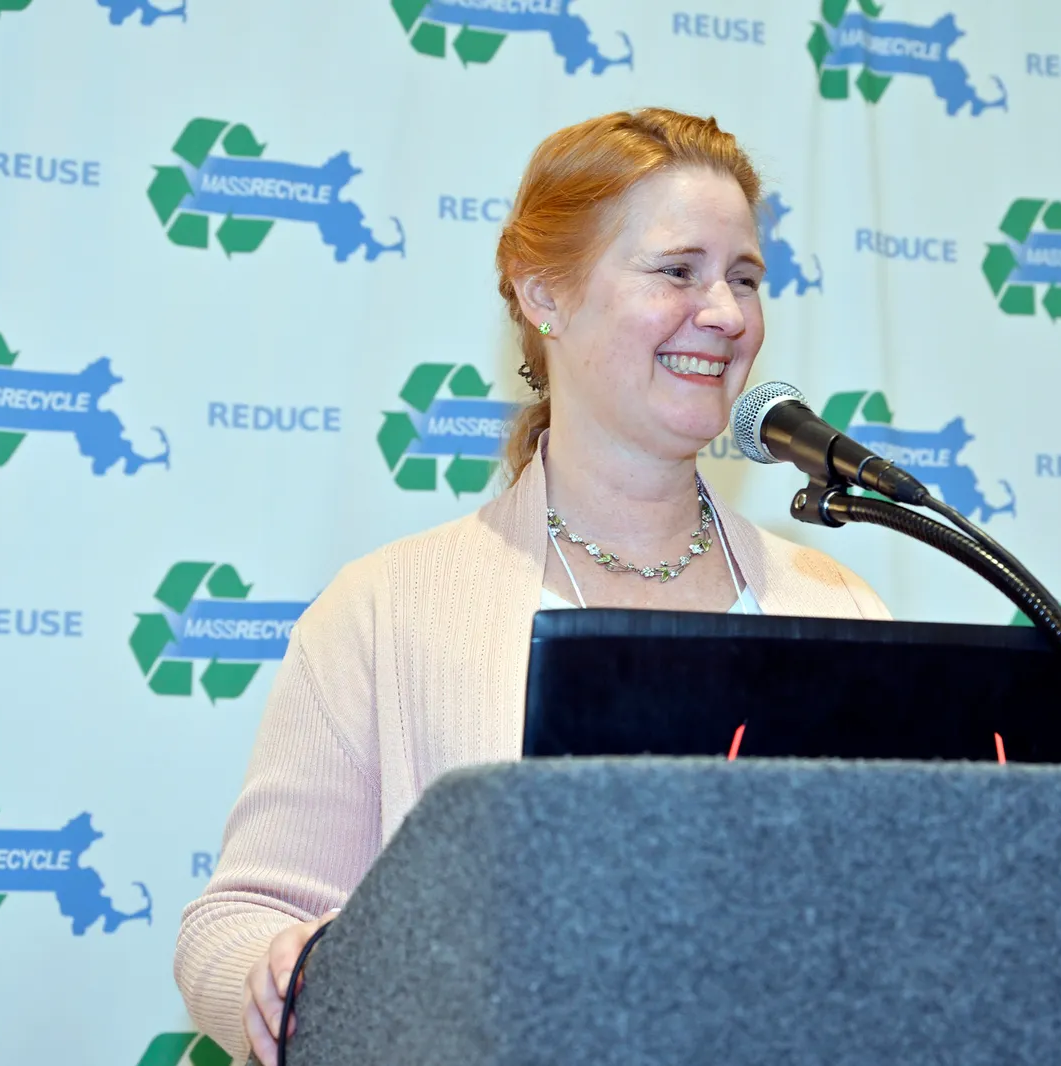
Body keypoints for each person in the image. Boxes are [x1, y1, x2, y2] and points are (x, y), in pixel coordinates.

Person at [173, 107, 890, 1065]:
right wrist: (279, 973)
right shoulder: (388, 609)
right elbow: (236, 922)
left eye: (746, 278)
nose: (725, 315)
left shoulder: (837, 608)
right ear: (543, 293)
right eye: (678, 272)